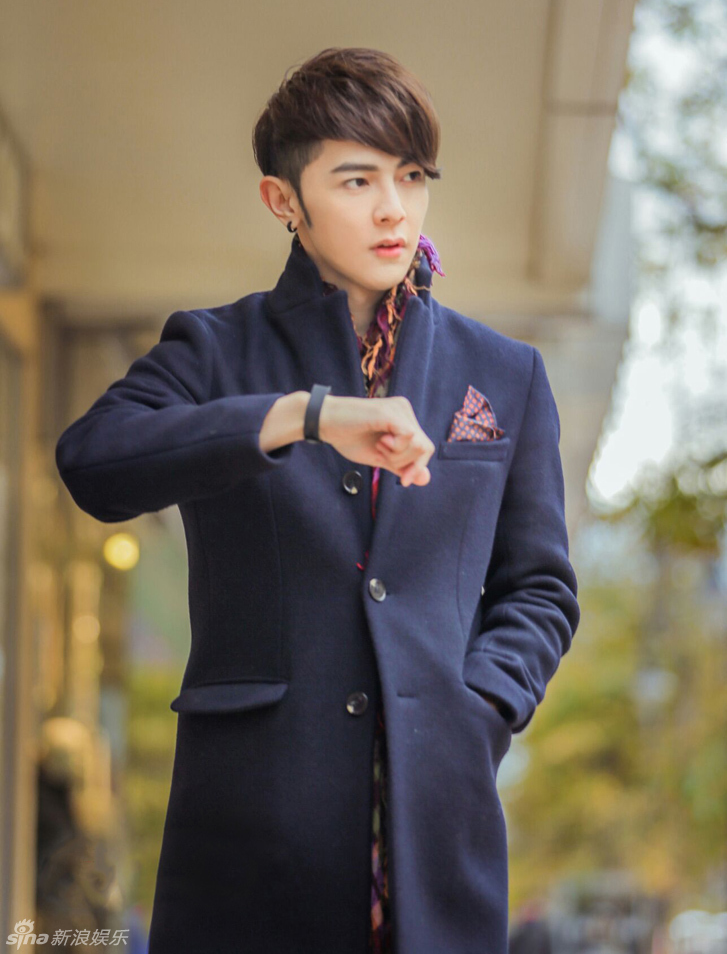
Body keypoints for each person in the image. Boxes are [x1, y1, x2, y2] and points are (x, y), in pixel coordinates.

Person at [55, 46, 581, 954]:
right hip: (249, 834)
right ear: (283, 200)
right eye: (356, 179)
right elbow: (92, 460)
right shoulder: (215, 351)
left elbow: (539, 587)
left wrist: (479, 705)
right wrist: (303, 417)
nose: (393, 207)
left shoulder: (503, 374)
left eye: (411, 176)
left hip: (434, 835)